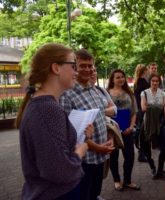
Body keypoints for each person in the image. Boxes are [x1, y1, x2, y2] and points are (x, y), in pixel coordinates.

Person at [16, 43, 92, 200]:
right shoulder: (47, 109)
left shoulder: (41, 104)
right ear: (56, 68)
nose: (76, 72)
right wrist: (80, 152)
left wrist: (82, 139)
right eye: (73, 66)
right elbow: (59, 170)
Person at [60, 49, 114, 200]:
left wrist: (109, 137)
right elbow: (69, 134)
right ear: (74, 67)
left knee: (95, 192)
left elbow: (103, 119)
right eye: (83, 65)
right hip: (84, 159)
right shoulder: (67, 95)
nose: (88, 69)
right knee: (84, 195)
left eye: (90, 66)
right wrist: (97, 147)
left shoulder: (95, 90)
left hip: (100, 156)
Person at [107, 69, 141, 191]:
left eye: (122, 77)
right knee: (113, 157)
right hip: (112, 132)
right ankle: (116, 180)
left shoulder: (129, 93)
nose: (121, 79)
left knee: (130, 156)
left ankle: (127, 180)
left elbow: (134, 112)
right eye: (117, 77)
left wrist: (131, 127)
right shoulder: (106, 93)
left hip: (127, 130)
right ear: (112, 79)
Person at [140, 73, 165, 180]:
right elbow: (143, 108)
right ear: (150, 82)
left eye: (157, 81)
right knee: (145, 146)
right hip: (147, 123)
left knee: (164, 148)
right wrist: (159, 107)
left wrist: (151, 106)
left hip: (160, 124)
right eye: (153, 81)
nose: (155, 83)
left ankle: (160, 169)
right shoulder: (144, 93)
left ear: (159, 82)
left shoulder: (163, 94)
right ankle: (152, 167)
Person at [133, 64, 149, 162]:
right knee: (144, 133)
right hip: (143, 110)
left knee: (141, 132)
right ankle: (142, 153)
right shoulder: (144, 83)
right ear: (144, 72)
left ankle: (141, 152)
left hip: (138, 110)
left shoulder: (136, 82)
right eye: (146, 71)